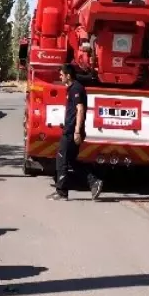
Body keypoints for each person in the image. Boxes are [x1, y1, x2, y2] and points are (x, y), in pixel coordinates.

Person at [48, 64, 103, 201]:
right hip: (72, 130)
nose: (60, 77)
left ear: (68, 75)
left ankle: (61, 192)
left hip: (72, 131)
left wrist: (77, 131)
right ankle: (94, 182)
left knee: (62, 160)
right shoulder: (73, 88)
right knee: (71, 161)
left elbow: (80, 109)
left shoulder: (76, 89)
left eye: (62, 74)